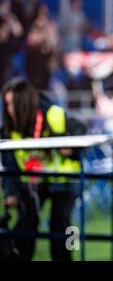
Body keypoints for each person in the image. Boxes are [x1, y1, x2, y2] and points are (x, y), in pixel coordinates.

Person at [1, 78, 86, 261]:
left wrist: (71, 148)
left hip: (65, 180)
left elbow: (81, 131)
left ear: (24, 103)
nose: (9, 110)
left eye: (12, 104)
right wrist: (11, 193)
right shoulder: (9, 129)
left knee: (62, 224)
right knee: (26, 223)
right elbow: (10, 168)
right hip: (33, 183)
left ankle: (68, 257)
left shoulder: (54, 114)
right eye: (7, 104)